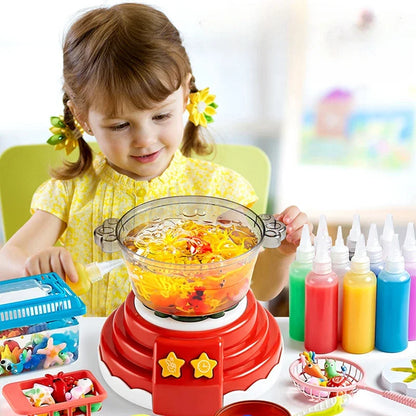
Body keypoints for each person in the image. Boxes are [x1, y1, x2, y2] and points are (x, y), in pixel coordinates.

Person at [0, 3, 311, 316]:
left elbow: (256, 287)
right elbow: (5, 262)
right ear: (83, 118)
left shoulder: (220, 192)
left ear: (186, 97)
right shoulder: (69, 193)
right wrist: (32, 266)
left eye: (161, 115)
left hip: (190, 353)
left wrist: (282, 253)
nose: (144, 139)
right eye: (120, 125)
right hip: (93, 354)